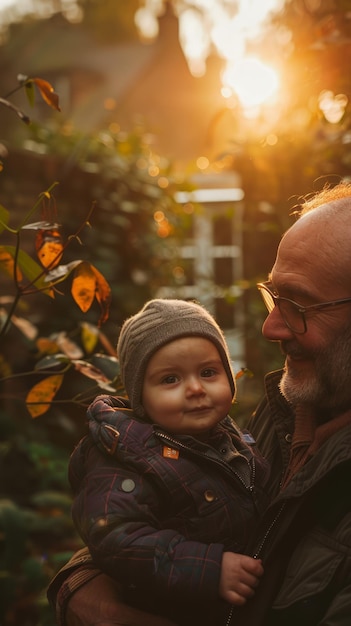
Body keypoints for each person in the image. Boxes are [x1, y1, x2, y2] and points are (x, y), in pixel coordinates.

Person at [48, 180, 351, 626]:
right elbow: (133, 527)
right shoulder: (279, 414)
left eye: (299, 305)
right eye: (274, 297)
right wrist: (79, 584)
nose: (271, 328)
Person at [62, 298, 270, 626]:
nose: (196, 388)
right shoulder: (125, 457)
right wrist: (208, 569)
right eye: (170, 379)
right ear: (139, 396)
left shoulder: (229, 438)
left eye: (208, 372)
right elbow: (115, 537)